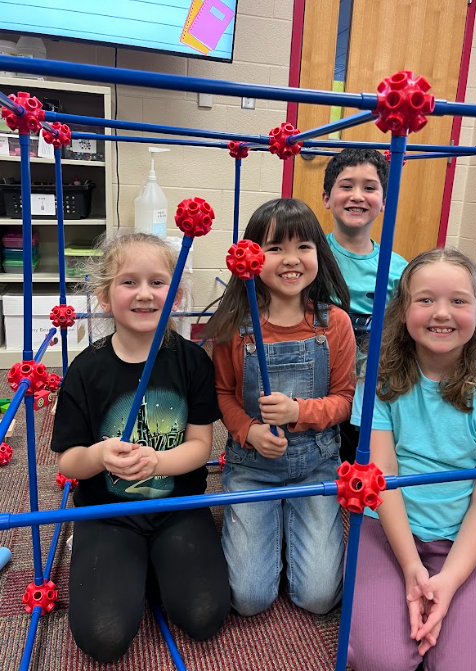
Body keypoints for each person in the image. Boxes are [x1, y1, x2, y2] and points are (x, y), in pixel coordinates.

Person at [50, 233, 230, 663]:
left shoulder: (192, 361)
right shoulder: (86, 369)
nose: (145, 294)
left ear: (177, 294)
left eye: (158, 282)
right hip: (106, 513)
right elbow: (70, 462)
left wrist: (159, 461)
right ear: (105, 296)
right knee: (104, 638)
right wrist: (98, 455)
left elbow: (201, 444)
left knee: (206, 617)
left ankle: (150, 563)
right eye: (129, 282)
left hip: (178, 508)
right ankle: (118, 559)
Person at [348, 248, 476, 671]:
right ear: (403, 310)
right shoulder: (378, 380)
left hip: (460, 538)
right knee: (382, 661)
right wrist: (410, 567)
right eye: (425, 300)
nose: (441, 313)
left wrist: (449, 581)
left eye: (458, 301)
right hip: (388, 532)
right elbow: (382, 480)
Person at [204, 198, 356, 617]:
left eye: (303, 246)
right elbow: (223, 394)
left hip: (317, 466)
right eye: (275, 248)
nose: (291, 260)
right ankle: (273, 526)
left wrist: (298, 413)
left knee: (320, 598)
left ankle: (294, 527)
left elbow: (344, 401)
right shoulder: (233, 324)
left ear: (318, 254)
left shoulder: (334, 323)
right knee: (248, 600)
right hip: (251, 467)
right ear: (252, 258)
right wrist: (248, 430)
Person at [322, 147, 408, 462]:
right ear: (326, 198)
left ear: (383, 202)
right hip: (318, 379)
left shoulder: (397, 269)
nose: (358, 195)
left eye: (369, 188)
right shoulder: (310, 257)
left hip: (368, 385)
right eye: (347, 186)